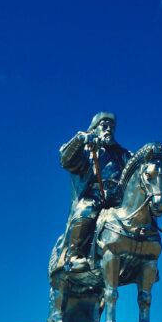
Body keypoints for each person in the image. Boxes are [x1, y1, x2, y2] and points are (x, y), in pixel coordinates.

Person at [58, 111, 132, 271]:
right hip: (95, 195)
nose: (108, 129)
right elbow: (65, 160)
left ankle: (145, 256)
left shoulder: (122, 154)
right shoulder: (88, 148)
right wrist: (80, 139)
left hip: (119, 199)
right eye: (104, 126)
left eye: (112, 126)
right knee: (85, 210)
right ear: (94, 129)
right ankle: (74, 256)